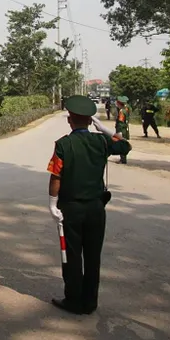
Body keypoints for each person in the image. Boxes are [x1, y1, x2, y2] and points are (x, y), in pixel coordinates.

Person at [46, 95, 131, 315]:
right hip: (96, 208)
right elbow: (125, 146)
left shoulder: (63, 144)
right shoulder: (101, 141)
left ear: (70, 119)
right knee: (93, 256)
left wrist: (52, 204)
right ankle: (90, 302)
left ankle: (74, 300)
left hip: (71, 209)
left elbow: (56, 177)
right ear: (90, 120)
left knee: (72, 255)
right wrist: (104, 129)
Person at [114, 97, 131, 164]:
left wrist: (120, 132)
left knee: (122, 144)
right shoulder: (126, 109)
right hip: (125, 129)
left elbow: (121, 121)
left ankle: (123, 159)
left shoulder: (121, 111)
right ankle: (123, 159)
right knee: (123, 143)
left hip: (121, 129)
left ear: (119, 103)